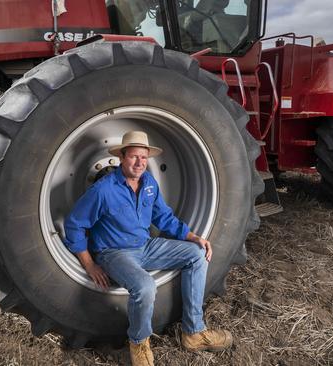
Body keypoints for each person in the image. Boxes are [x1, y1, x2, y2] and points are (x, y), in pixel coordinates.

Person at [63, 131, 232, 366]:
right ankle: (139, 343)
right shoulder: (103, 190)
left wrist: (194, 237)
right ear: (122, 157)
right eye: (134, 157)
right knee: (145, 286)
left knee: (196, 255)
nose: (140, 163)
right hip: (114, 252)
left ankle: (193, 332)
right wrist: (89, 264)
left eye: (144, 157)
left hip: (145, 246)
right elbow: (74, 225)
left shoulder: (149, 183)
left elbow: (164, 218)